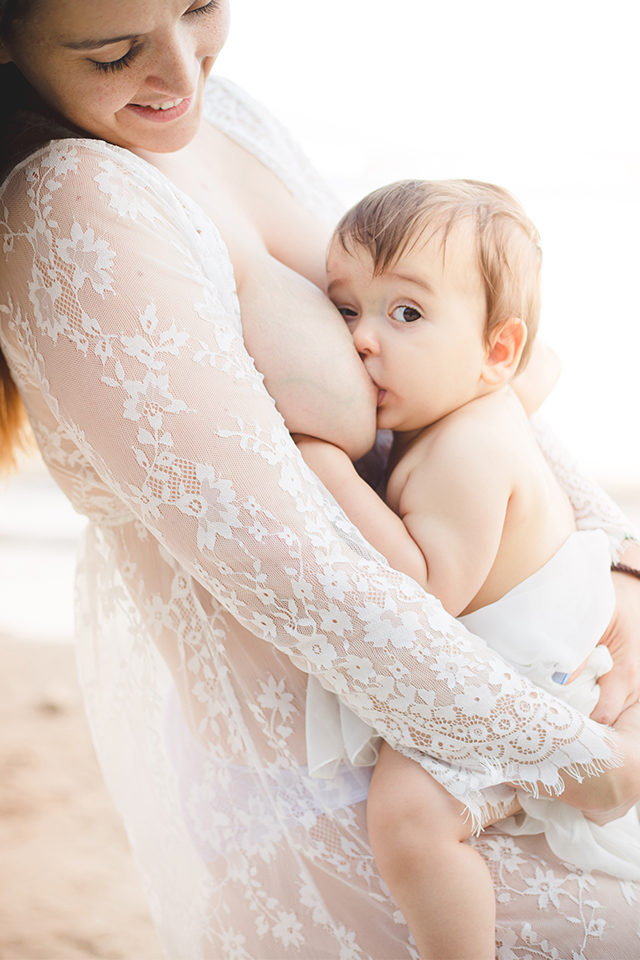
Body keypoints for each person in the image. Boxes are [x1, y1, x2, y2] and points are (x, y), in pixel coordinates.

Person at [1, 2, 640, 957]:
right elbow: (310, 586)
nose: (181, 72)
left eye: (201, 9)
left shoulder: (229, 115)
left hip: (496, 686)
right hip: (353, 787)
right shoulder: (73, 207)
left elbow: (474, 374)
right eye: (114, 51)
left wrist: (619, 571)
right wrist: (572, 755)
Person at [296, 178, 640, 959]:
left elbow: (423, 592)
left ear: (494, 352)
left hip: (540, 677)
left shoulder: (468, 449)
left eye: (406, 313)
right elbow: (540, 364)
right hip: (546, 638)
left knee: (410, 821)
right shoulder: (484, 401)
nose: (361, 339)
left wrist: (334, 474)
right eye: (345, 308)